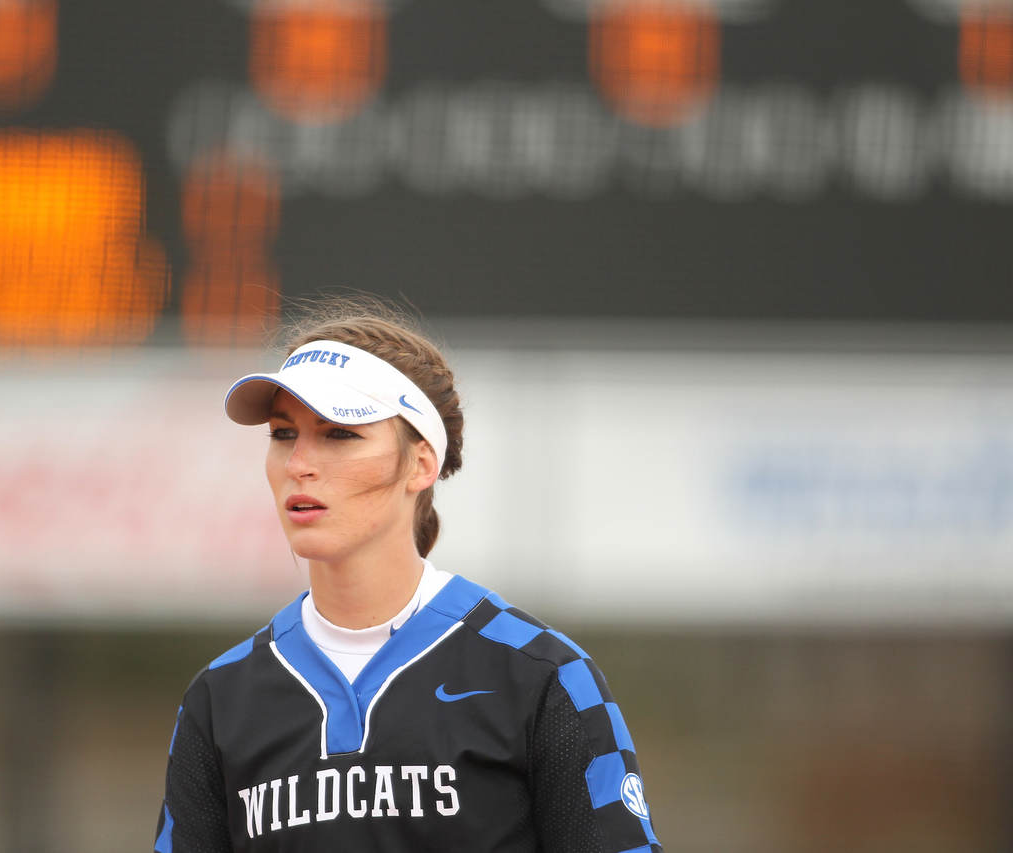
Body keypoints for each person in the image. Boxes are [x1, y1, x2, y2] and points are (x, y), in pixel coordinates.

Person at [155, 303, 661, 853]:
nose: (299, 463)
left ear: (420, 464)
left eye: (339, 434)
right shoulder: (221, 697)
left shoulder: (542, 676)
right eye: (282, 433)